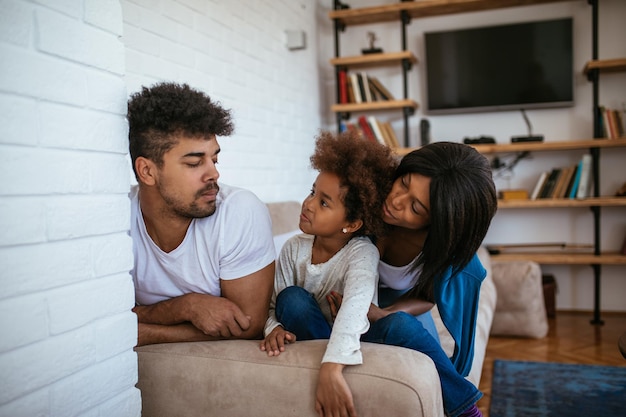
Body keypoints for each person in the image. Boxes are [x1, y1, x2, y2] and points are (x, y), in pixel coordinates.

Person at [329, 142, 498, 417]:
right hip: (344, 298)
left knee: (427, 370)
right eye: (404, 182)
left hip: (399, 306)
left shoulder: (440, 250)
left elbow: (426, 297)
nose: (396, 201)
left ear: (437, 223)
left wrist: (384, 313)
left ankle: (466, 410)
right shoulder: (368, 200)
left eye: (416, 208)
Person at [127, 82, 276, 347]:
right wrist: (186, 307)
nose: (214, 174)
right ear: (147, 171)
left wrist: (148, 331)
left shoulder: (240, 210)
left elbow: (249, 324)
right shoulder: (115, 221)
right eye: (195, 163)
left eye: (214, 159)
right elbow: (101, 318)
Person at [260, 131, 396, 417]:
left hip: (352, 336)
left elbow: (356, 308)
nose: (308, 204)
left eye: (324, 202)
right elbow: (273, 306)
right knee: (292, 299)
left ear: (352, 223)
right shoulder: (293, 248)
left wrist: (332, 368)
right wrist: (273, 328)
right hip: (309, 331)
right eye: (312, 192)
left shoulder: (362, 253)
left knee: (405, 328)